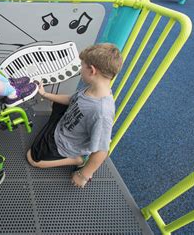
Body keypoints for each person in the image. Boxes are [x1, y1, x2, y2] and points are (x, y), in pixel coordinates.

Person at [26, 43, 123, 188]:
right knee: (57, 104)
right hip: (63, 127)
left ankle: (76, 160)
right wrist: (45, 94)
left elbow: (101, 151)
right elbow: (71, 100)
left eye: (81, 66)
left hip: (67, 145)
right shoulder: (92, 89)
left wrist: (83, 175)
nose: (80, 70)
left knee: (33, 159)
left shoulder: (102, 112)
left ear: (91, 70)